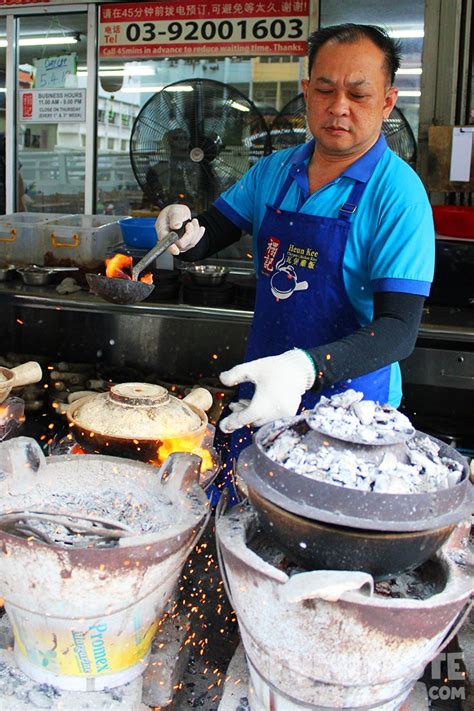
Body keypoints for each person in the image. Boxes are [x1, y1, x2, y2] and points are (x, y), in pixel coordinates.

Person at [155, 24, 435, 500]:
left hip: (351, 415)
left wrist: (305, 369)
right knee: (240, 524)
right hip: (264, 393)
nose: (338, 107)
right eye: (325, 90)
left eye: (358, 94)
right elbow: (215, 228)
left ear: (388, 102)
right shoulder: (276, 170)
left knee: (320, 547)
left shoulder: (399, 195)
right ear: (306, 92)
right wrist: (183, 230)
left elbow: (398, 329)